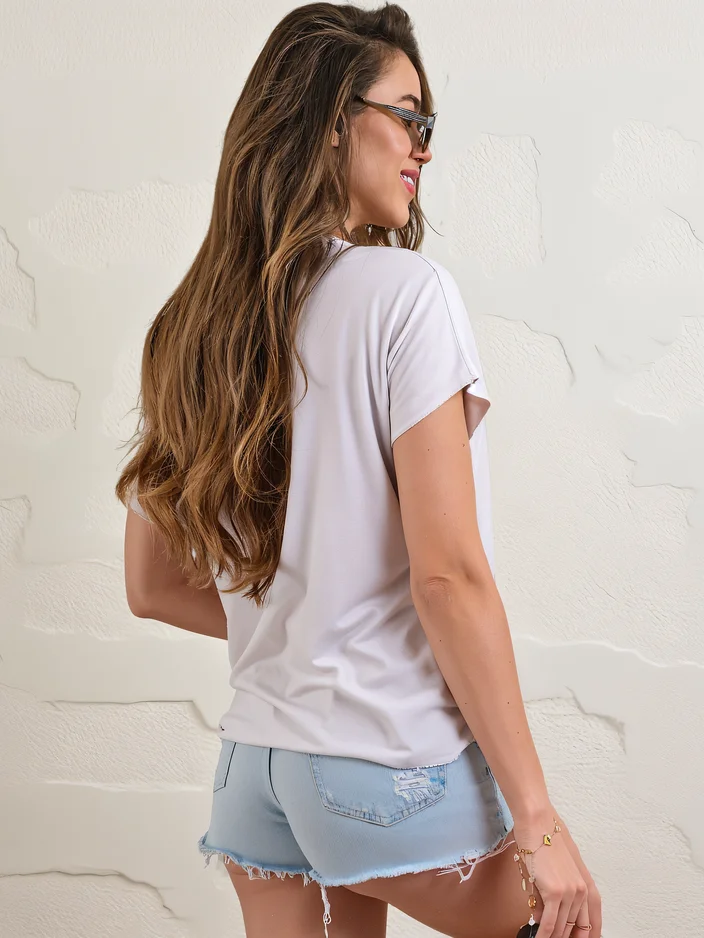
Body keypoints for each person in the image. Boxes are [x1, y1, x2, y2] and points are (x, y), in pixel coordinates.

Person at [116, 3, 602, 937]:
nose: (425, 145)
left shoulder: (193, 326)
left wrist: (307, 627)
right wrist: (538, 823)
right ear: (331, 120)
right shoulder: (406, 297)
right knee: (567, 921)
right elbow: (447, 577)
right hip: (380, 766)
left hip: (256, 770)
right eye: (407, 115)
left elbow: (150, 585)